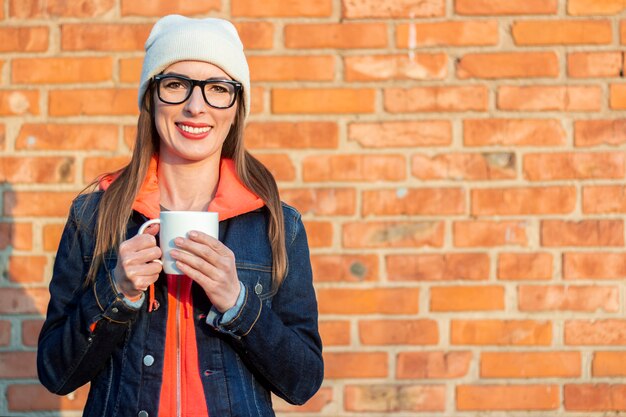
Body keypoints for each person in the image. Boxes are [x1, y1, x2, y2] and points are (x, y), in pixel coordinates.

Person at [37, 15, 323, 417]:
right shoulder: (94, 215)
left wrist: (238, 304)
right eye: (176, 85)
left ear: (236, 106)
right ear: (150, 98)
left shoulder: (275, 223)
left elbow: (303, 381)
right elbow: (55, 373)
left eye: (218, 89)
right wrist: (117, 291)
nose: (195, 106)